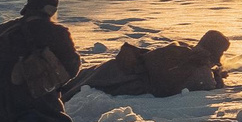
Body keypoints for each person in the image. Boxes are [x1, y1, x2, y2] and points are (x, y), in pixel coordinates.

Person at [75, 31, 230, 99]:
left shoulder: (183, 48)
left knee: (79, 80)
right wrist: (217, 76)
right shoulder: (201, 70)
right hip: (133, 82)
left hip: (120, 67)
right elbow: (207, 86)